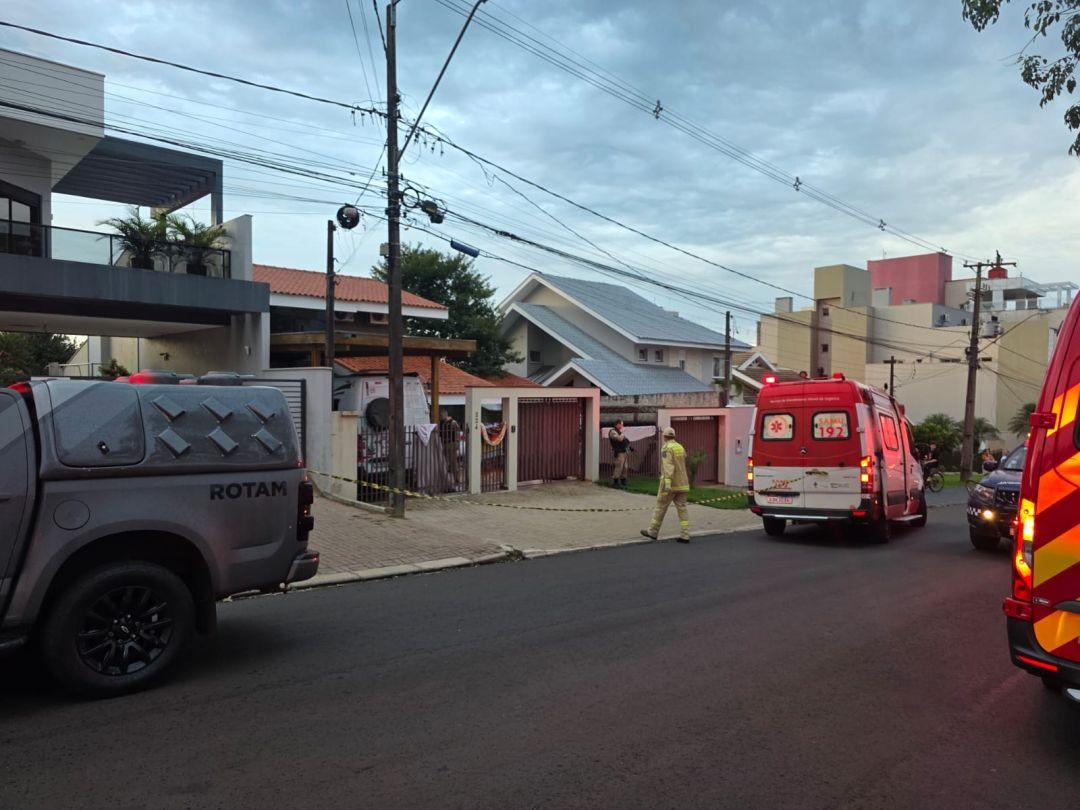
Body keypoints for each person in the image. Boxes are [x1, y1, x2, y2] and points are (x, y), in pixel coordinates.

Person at [641, 426, 691, 543]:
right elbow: (684, 460)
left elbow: (668, 466)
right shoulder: (680, 446)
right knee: (682, 509)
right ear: (673, 436)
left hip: (670, 485)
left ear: (664, 437)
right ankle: (685, 534)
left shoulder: (666, 448)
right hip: (683, 483)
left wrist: (667, 483)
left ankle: (653, 531)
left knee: (660, 507)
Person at [438, 410, 461, 489]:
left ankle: (456, 481)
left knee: (453, 464)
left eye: (441, 415)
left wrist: (456, 444)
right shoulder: (442, 423)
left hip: (451, 444)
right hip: (444, 444)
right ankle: (448, 481)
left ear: (445, 415)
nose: (440, 417)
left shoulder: (453, 423)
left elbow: (457, 434)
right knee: (446, 463)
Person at [609, 420, 633, 488]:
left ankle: (623, 480)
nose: (622, 426)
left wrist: (629, 448)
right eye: (621, 424)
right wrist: (622, 433)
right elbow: (619, 439)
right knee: (619, 466)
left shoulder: (620, 432)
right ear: (617, 424)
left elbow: (625, 441)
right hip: (619, 452)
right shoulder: (612, 431)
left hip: (624, 452)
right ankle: (615, 482)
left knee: (625, 467)